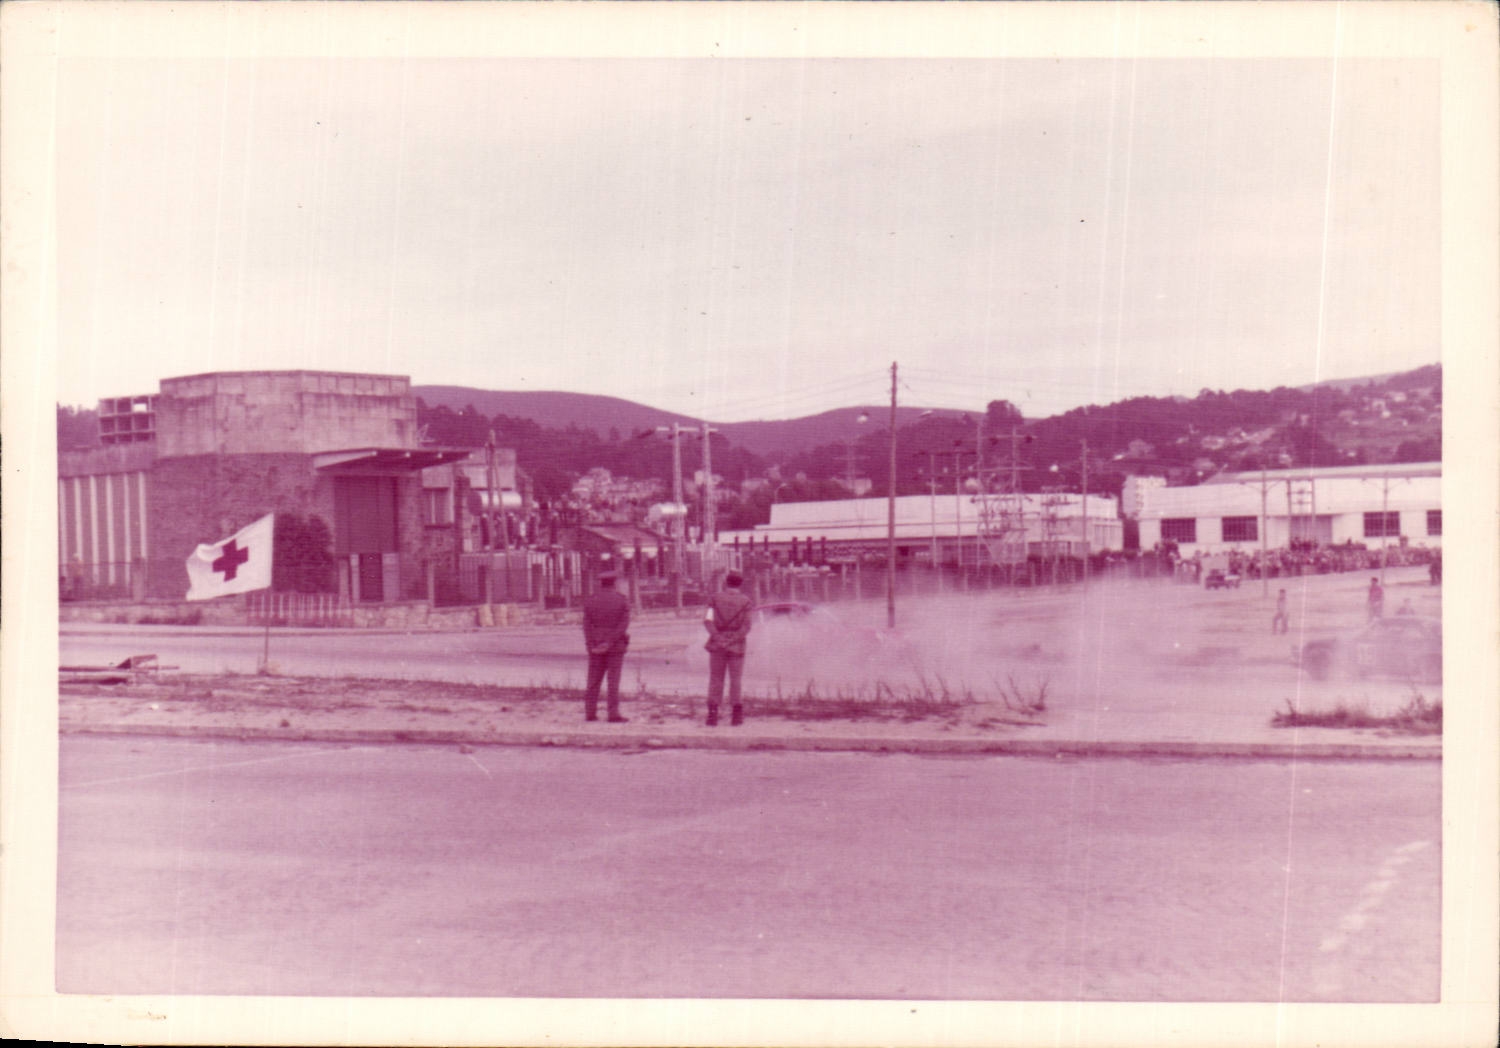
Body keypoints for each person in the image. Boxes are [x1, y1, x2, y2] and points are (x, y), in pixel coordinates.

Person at [703, 570, 753, 727]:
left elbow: (708, 621)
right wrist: (732, 639)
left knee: (716, 679)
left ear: (726, 582)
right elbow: (746, 626)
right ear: (740, 584)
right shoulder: (746, 601)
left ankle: (712, 716)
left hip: (717, 644)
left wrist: (718, 637)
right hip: (737, 646)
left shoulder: (715, 598)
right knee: (735, 680)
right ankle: (736, 717)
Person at [581, 570, 631, 723]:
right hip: (615, 646)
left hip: (595, 645)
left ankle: (590, 713)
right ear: (614, 583)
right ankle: (613, 713)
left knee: (593, 680)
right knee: (613, 681)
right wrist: (609, 642)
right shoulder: (621, 600)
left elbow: (586, 625)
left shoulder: (591, 600)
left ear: (601, 583)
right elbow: (623, 625)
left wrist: (590, 643)